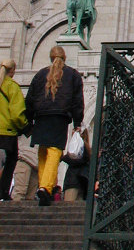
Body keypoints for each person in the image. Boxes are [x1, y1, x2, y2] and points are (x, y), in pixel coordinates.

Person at [25, 45, 84, 206]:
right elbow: (77, 101)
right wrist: (78, 122)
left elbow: (29, 99)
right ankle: (45, 187)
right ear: (64, 58)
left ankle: (43, 187)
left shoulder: (40, 74)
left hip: (41, 117)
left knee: (43, 151)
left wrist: (29, 120)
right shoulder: (73, 75)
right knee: (54, 152)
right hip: (59, 117)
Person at [0, 58, 28, 201]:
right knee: (9, 163)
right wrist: (24, 126)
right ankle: (3, 191)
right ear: (12, 71)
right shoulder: (12, 87)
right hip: (6, 134)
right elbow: (17, 114)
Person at [62, 127, 91, 201]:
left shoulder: (78, 146)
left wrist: (64, 157)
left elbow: (74, 160)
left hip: (73, 181)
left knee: (69, 204)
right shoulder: (87, 148)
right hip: (82, 181)